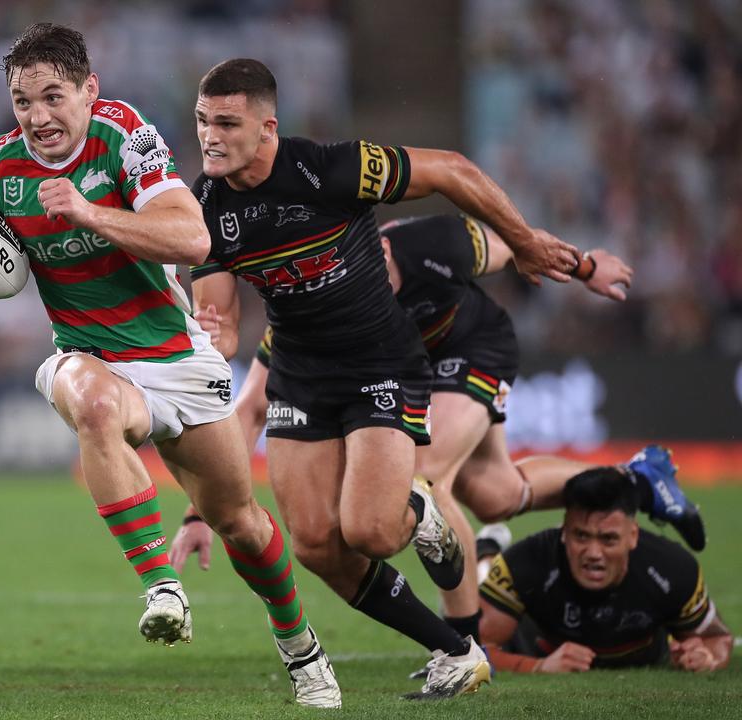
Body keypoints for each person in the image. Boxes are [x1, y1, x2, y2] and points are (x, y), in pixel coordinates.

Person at [0, 25, 339, 708]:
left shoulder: (124, 136)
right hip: (90, 356)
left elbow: (192, 235)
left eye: (53, 97)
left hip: (175, 355)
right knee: (95, 405)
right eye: (22, 102)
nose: (38, 117)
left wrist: (88, 211)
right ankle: (159, 588)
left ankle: (301, 647)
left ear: (89, 91)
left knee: (242, 525)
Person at [185, 58, 582, 699]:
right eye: (202, 120)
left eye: (227, 122)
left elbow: (452, 170)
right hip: (300, 372)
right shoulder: (202, 207)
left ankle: (419, 509)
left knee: (369, 530)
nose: (210, 135)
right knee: (315, 544)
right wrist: (214, 332)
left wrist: (526, 240)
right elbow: (223, 314)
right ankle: (456, 651)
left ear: (267, 129)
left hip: (380, 363)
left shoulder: (331, 168)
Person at [176, 213, 707, 650]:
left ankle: (465, 645)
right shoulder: (313, 304)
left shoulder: (439, 243)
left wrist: (586, 264)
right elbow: (249, 411)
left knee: (427, 475)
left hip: (471, 348)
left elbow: (517, 243)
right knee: (496, 495)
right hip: (402, 368)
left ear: (375, 247)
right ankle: (638, 478)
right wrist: (202, 512)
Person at [479, 468, 732, 673]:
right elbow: (475, 650)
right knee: (482, 579)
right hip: (534, 641)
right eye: (581, 536)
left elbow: (718, 639)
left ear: (633, 535)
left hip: (649, 651)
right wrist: (539, 666)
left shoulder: (674, 570)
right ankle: (485, 552)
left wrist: (707, 657)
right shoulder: (525, 562)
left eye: (608, 539)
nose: (593, 553)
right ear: (564, 531)